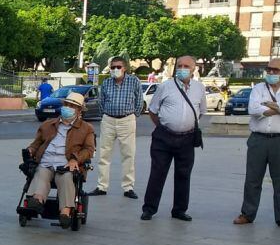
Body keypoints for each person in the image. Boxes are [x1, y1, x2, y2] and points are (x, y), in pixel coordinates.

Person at [141, 55, 205, 221]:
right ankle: (149, 208)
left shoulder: (199, 88)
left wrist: (186, 124)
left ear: (193, 69)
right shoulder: (166, 86)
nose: (182, 69)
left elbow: (201, 112)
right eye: (179, 65)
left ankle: (179, 210)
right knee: (157, 173)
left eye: (186, 66)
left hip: (187, 139)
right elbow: (153, 111)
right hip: (164, 137)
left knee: (184, 174)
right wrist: (164, 126)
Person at [24, 92, 95, 229]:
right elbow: (36, 144)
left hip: (66, 165)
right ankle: (37, 201)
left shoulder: (86, 129)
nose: (68, 107)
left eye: (72, 106)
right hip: (46, 162)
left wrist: (75, 159)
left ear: (79, 110)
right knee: (41, 173)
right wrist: (31, 150)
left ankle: (65, 213)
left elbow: (89, 150)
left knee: (67, 177)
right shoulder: (48, 124)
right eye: (67, 104)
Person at [234, 59, 280, 226]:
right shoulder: (258, 88)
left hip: (278, 140)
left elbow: (260, 110)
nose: (271, 73)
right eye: (269, 69)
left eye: (276, 70)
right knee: (253, 179)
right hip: (258, 139)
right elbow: (253, 110)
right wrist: (277, 108)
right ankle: (247, 214)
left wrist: (269, 106)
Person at [92, 56, 143, 199]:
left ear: (125, 68)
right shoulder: (107, 83)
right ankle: (102, 186)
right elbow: (101, 101)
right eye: (113, 67)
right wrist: (105, 115)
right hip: (108, 119)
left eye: (118, 67)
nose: (115, 70)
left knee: (128, 154)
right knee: (104, 154)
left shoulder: (133, 81)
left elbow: (139, 100)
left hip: (127, 120)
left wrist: (133, 115)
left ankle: (128, 188)